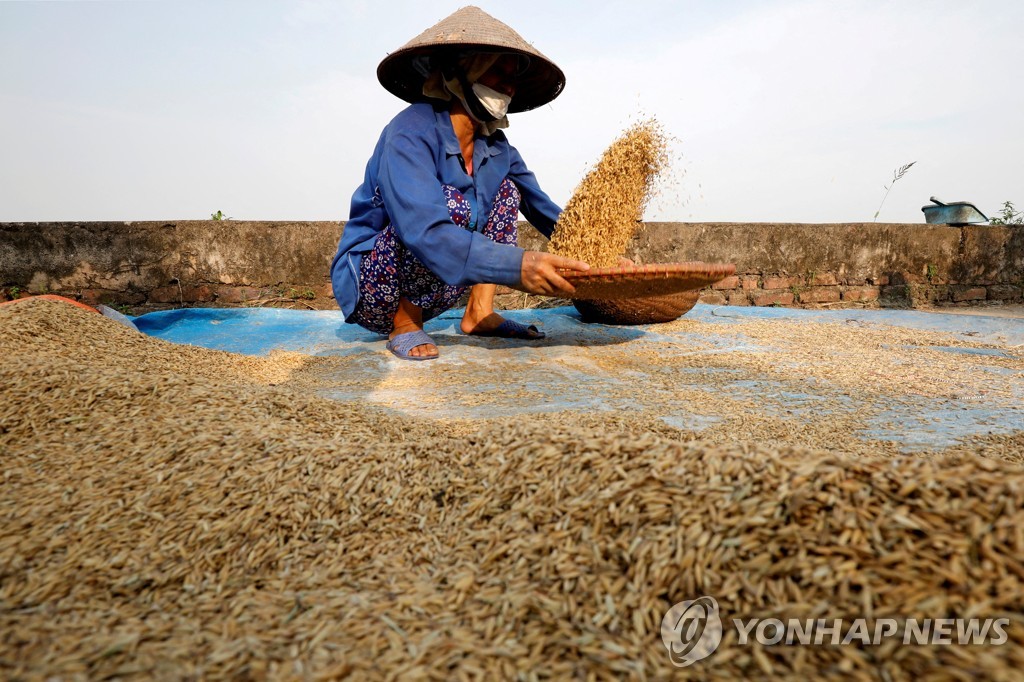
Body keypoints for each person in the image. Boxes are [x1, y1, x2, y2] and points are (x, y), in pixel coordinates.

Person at [330, 6, 589, 360]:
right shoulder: (410, 131)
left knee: (506, 192)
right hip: (376, 286)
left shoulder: (497, 148)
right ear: (460, 73)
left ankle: (478, 312)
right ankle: (405, 322)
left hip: (442, 283)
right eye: (497, 70)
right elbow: (422, 227)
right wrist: (518, 265)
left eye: (513, 75)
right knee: (452, 203)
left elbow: (542, 209)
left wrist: (595, 253)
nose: (508, 84)